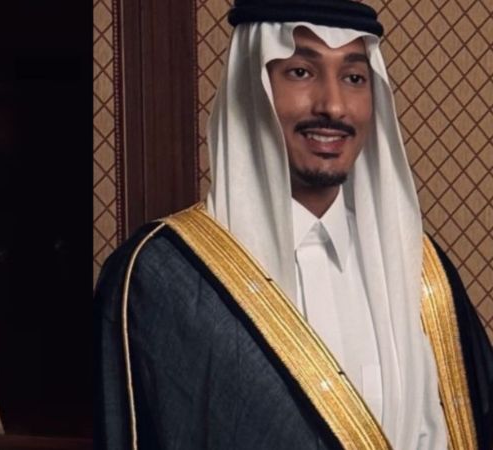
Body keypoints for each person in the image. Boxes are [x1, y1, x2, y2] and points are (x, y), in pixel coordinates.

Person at [95, 1, 493, 448]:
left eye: (354, 77)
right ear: (252, 87)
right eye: (301, 72)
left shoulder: (421, 271)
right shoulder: (164, 278)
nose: (333, 105)